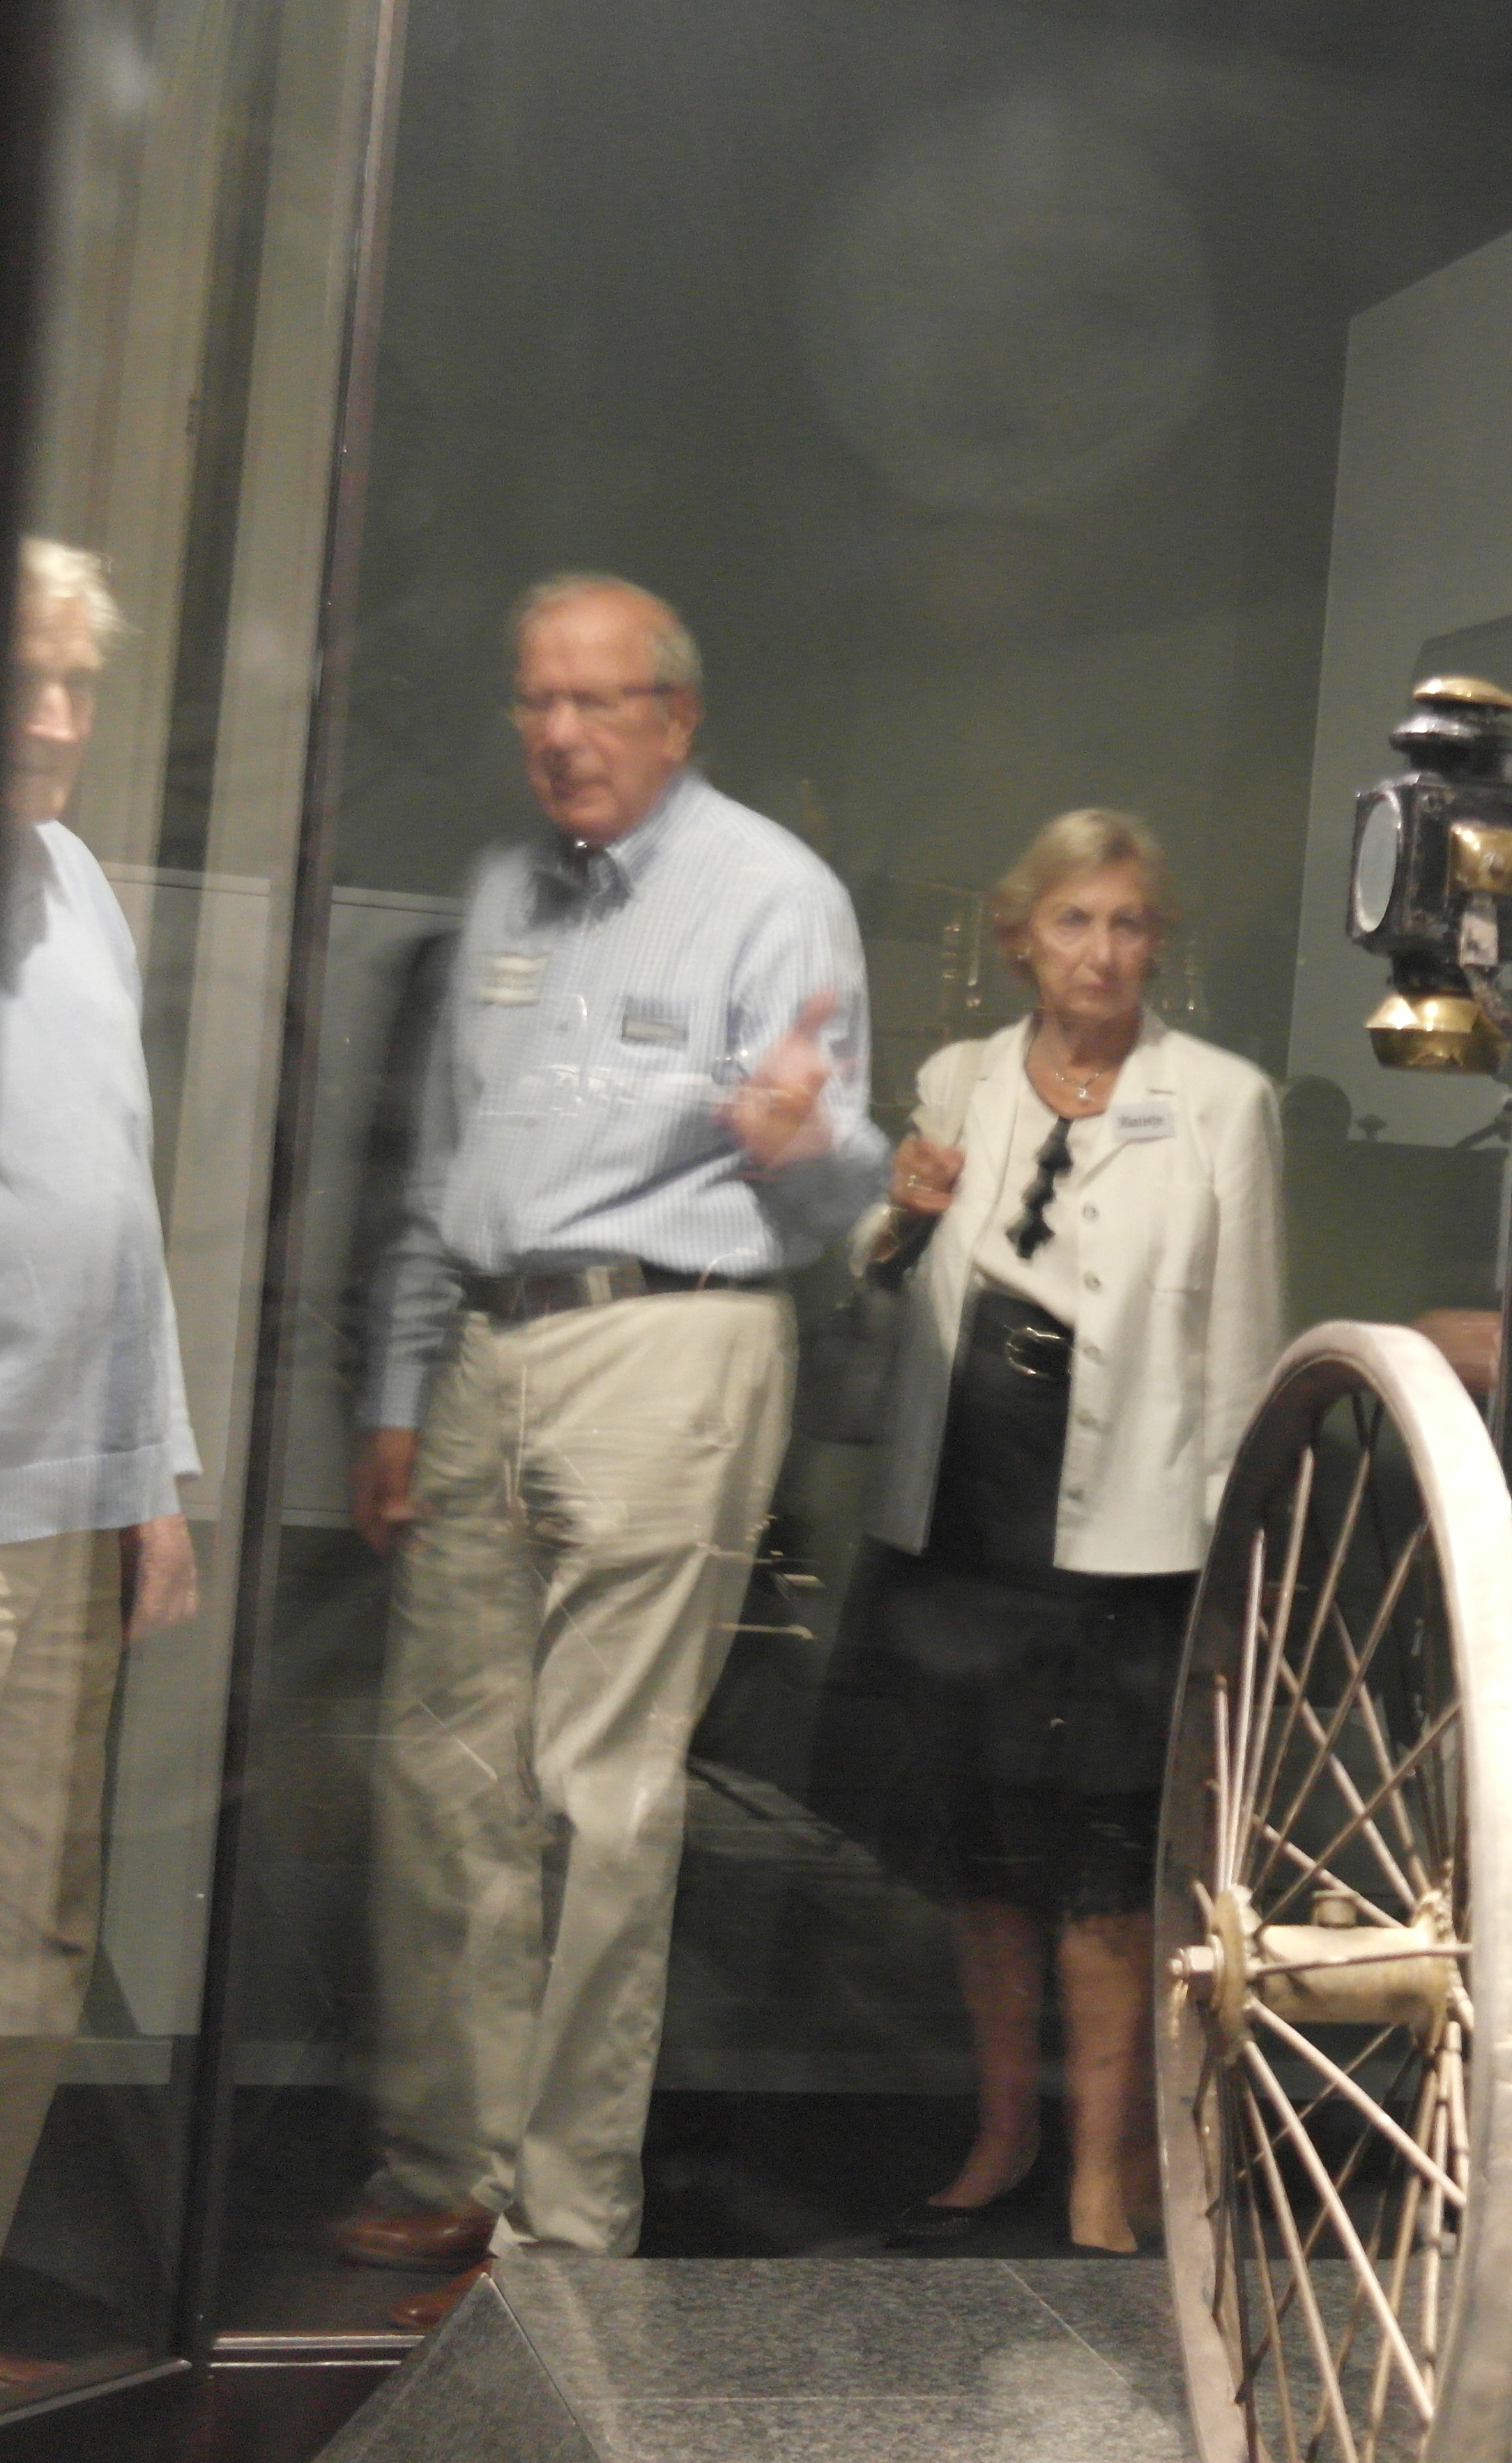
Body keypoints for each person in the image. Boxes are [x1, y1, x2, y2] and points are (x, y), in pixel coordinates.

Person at [340, 574, 881, 2317]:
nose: (561, 734)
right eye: (537, 701)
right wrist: (399, 1391)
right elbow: (442, 1170)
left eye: (597, 702)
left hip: (673, 1338)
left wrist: (805, 1145)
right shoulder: (508, 891)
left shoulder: (774, 894)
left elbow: (846, 1194)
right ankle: (450, 2169)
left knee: (601, 1792)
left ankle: (563, 2228)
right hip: (490, 1344)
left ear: (677, 716)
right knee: (445, 1781)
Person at [0, 540, 204, 2411]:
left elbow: (119, 1202)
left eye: (81, 682)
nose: (61, 718)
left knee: (11, 1951)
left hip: (70, 1510)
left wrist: (154, 1467)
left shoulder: (76, 885)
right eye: (25, 678)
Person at [852, 809, 1281, 2252]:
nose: (1101, 952)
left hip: (1129, 1526)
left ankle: (1109, 2165)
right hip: (967, 1502)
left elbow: (1242, 1350)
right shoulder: (957, 1079)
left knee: (1103, 1863)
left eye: (1128, 923)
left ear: (1160, 946)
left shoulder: (1222, 1100)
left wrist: (1228, 1557)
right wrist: (898, 1217)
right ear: (1019, 937)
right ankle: (1003, 2130)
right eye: (1074, 921)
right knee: (983, 1853)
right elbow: (885, 1273)